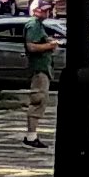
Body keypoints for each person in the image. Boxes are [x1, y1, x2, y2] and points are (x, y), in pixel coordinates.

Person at [21, 10, 59, 145]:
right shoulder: (33, 25)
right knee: (38, 99)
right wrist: (50, 45)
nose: (47, 12)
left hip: (43, 68)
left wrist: (49, 41)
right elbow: (31, 46)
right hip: (39, 69)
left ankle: (32, 135)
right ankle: (31, 136)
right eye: (44, 10)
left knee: (41, 99)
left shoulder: (39, 25)